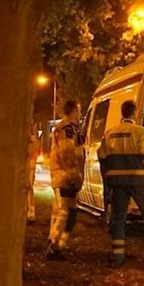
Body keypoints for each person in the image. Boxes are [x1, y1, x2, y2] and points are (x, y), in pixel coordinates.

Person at [97, 100, 144, 267]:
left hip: (117, 182)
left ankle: (117, 256)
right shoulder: (141, 132)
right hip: (138, 181)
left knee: (118, 218)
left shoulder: (109, 133)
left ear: (122, 113)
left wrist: (106, 181)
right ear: (135, 113)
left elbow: (102, 158)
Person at [47, 100, 84, 259]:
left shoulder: (69, 128)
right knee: (65, 212)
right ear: (74, 110)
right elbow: (68, 153)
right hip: (65, 177)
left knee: (68, 212)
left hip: (64, 176)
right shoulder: (67, 128)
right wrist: (75, 176)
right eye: (79, 110)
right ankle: (54, 246)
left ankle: (58, 244)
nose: (80, 114)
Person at [26, 122, 41, 223]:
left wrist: (31, 167)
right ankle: (29, 210)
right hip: (28, 167)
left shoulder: (33, 140)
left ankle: (31, 210)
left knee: (29, 187)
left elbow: (33, 154)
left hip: (29, 167)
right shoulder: (31, 140)